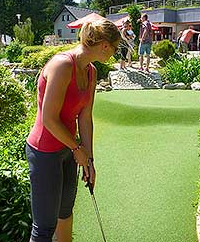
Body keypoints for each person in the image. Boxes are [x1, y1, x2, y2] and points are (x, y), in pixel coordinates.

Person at [26, 19, 121, 242]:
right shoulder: (62, 65)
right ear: (105, 46)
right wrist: (77, 148)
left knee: (65, 214)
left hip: (69, 150)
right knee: (44, 227)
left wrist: (89, 160)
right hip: (45, 152)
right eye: (115, 48)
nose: (115, 53)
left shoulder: (91, 72)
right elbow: (49, 119)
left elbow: (85, 118)